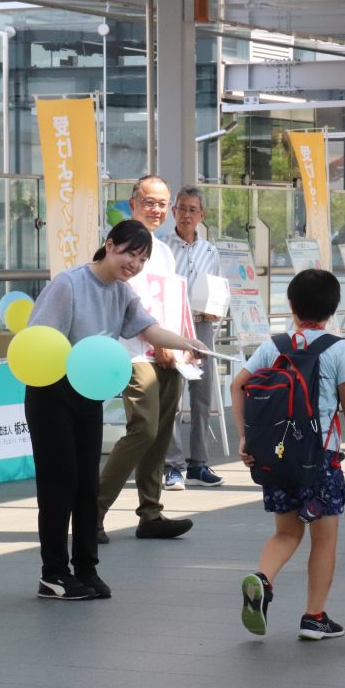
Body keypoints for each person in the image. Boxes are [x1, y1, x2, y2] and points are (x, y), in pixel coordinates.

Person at [26, 220, 206, 600]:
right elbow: (38, 339)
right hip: (51, 392)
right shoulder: (69, 284)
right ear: (109, 245)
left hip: (88, 393)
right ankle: (53, 574)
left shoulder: (122, 292)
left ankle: (86, 568)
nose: (134, 264)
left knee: (87, 484)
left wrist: (186, 342)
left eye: (142, 259)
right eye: (129, 254)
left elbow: (148, 329)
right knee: (59, 485)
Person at [232, 269, 345, 640]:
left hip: (276, 458)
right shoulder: (339, 349)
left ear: (291, 305)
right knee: (323, 538)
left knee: (286, 533)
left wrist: (245, 438)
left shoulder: (273, 346)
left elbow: (238, 385)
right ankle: (314, 616)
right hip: (320, 459)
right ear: (333, 309)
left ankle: (263, 579)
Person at [97, 176, 196, 543]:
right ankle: (93, 509)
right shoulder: (121, 243)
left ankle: (150, 513)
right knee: (144, 429)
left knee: (161, 434)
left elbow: (172, 302)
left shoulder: (164, 250)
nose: (157, 210)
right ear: (133, 201)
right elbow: (126, 302)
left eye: (162, 204)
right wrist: (157, 345)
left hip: (169, 355)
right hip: (135, 353)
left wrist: (181, 344)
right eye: (149, 201)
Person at [161, 186, 225, 490]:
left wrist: (216, 312)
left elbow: (217, 287)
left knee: (202, 396)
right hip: (173, 328)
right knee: (173, 396)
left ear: (202, 215)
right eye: (181, 208)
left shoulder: (210, 251)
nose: (186, 215)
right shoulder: (161, 247)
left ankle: (199, 464)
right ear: (174, 211)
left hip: (202, 326)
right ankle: (172, 465)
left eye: (192, 210)